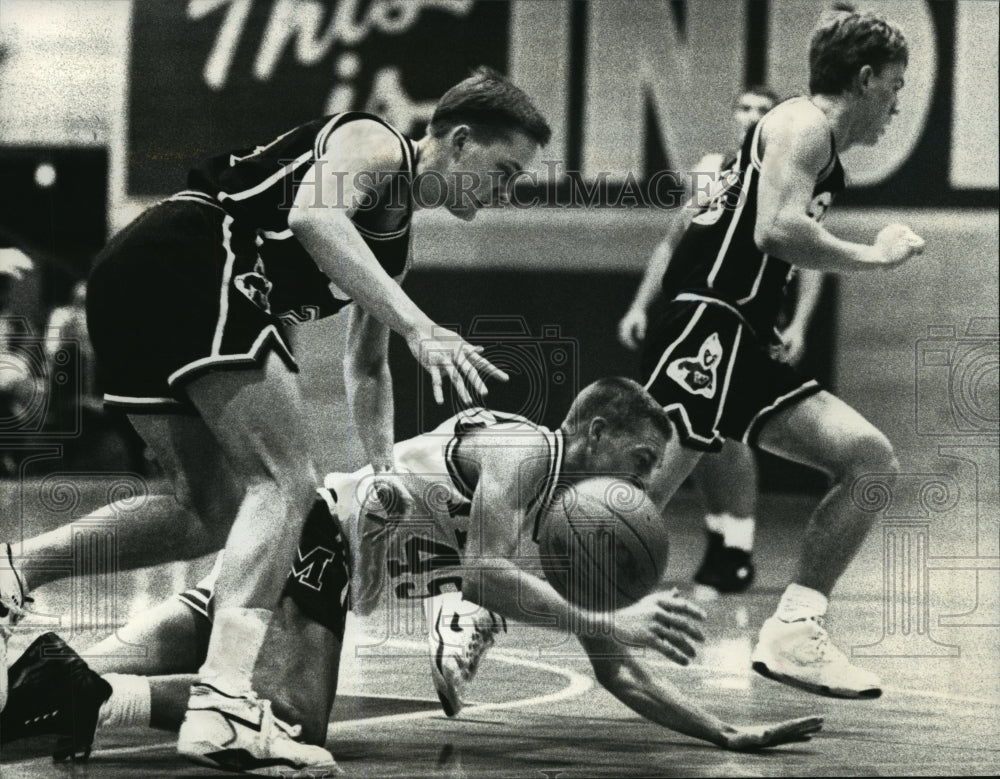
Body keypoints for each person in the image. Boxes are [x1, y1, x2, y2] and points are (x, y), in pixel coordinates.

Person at [0, 67, 551, 771]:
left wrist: (384, 471)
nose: (505, 192)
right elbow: (312, 217)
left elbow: (367, 366)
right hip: (190, 255)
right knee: (287, 482)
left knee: (209, 507)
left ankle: (15, 570)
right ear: (461, 139)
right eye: (503, 172)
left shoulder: (394, 245)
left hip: (135, 279)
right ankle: (224, 699)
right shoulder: (373, 142)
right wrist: (422, 327)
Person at [2, 378, 822, 774]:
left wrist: (721, 731)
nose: (642, 486)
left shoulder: (555, 522)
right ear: (597, 430)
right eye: (639, 462)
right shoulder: (524, 450)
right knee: (292, 723)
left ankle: (45, 680)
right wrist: (610, 620)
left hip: (313, 542)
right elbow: (484, 573)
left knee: (120, 657)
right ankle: (89, 698)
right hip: (320, 535)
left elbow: (617, 672)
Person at [636, 2, 924, 699]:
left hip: (748, 338)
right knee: (629, 512)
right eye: (895, 84)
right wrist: (875, 258)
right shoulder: (803, 124)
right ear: (864, 78)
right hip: (711, 323)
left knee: (869, 460)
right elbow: (775, 231)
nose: (897, 103)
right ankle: (479, 605)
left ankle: (796, 630)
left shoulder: (814, 141)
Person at [619, 86, 827, 598]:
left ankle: (736, 550)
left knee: (726, 432)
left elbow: (811, 260)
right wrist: (639, 305)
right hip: (696, 307)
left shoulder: (791, 171)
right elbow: (672, 242)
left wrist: (798, 324)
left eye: (763, 110)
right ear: (734, 115)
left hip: (748, 314)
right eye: (745, 108)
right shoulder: (713, 167)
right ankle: (719, 542)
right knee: (694, 429)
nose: (752, 116)